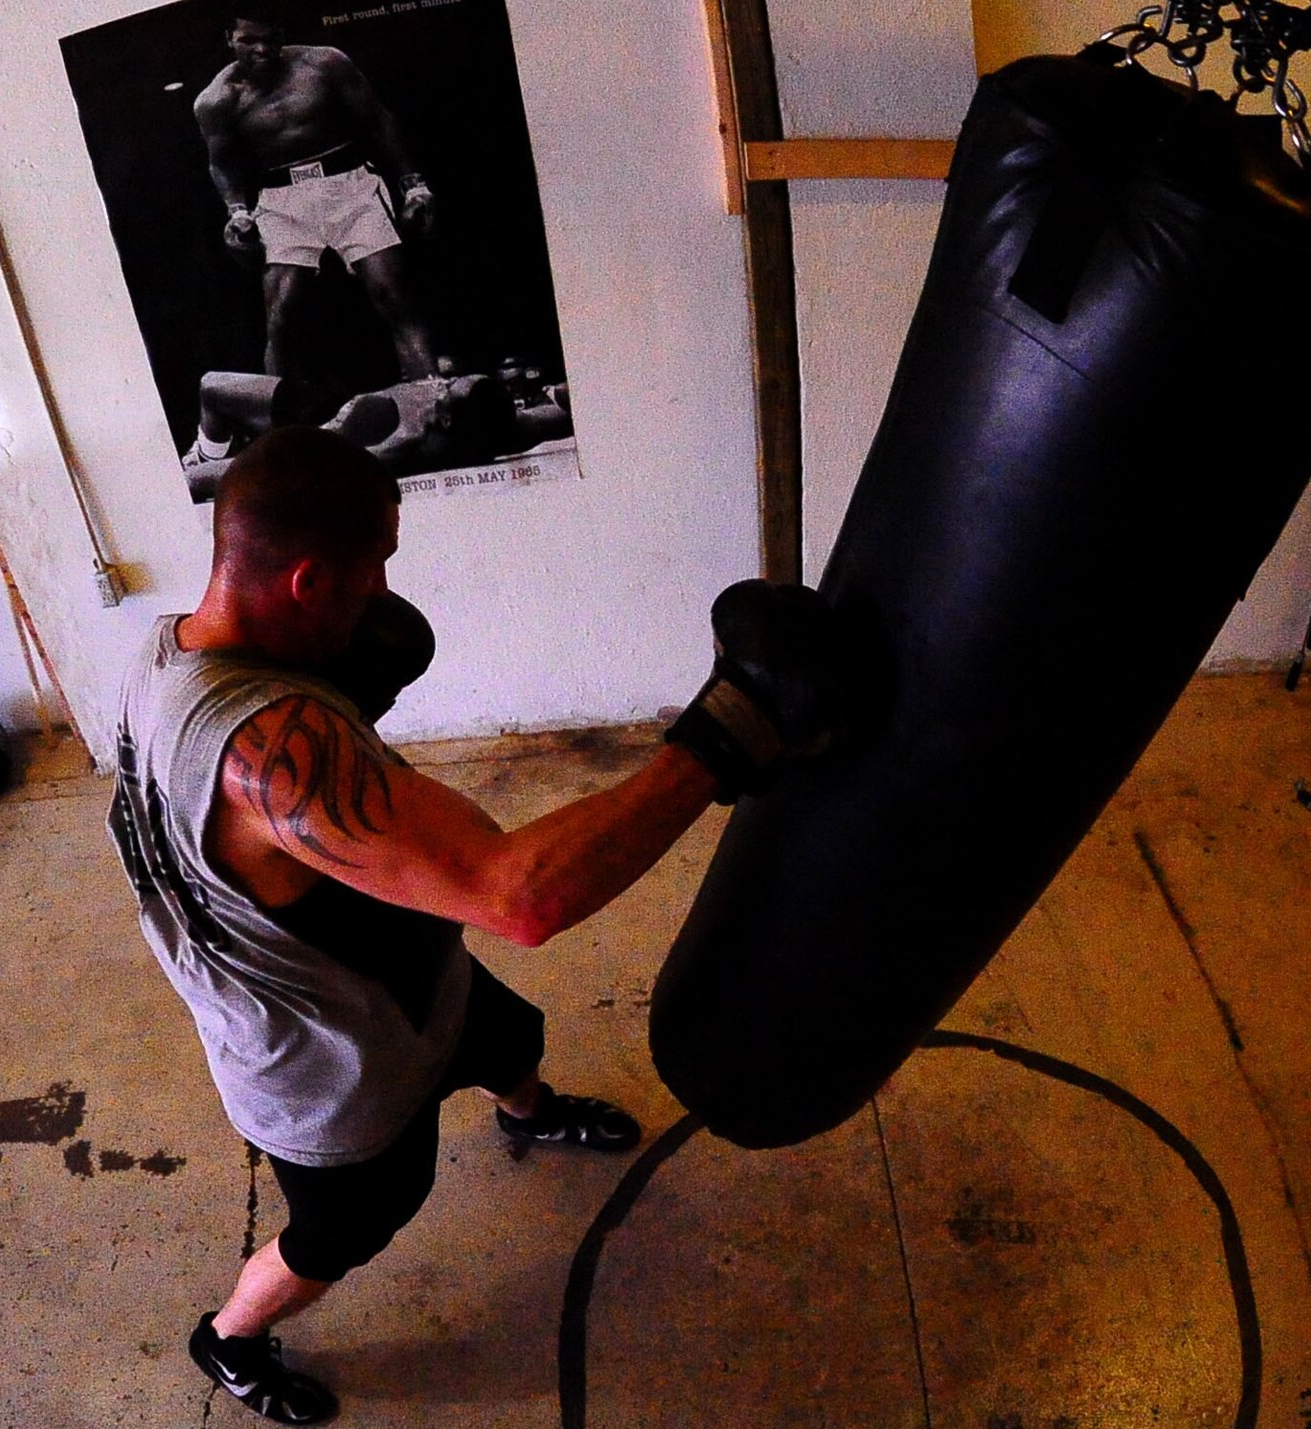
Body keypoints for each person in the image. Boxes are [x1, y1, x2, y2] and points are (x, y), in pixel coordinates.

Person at [108, 426, 844, 1423]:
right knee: (344, 1229)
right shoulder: (268, 753)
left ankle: (528, 1111)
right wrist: (730, 728)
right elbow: (521, 896)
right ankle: (229, 1337)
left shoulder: (168, 644)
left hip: (403, 976)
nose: (382, 593)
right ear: (307, 580)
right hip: (329, 1068)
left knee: (504, 1037)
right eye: (373, 569)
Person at [195, 4, 438, 382]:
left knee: (393, 295)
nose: (261, 49)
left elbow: (378, 120)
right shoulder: (216, 100)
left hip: (350, 186)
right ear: (229, 39)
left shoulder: (324, 64)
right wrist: (237, 210)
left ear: (282, 33)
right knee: (281, 316)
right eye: (248, 40)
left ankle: (434, 397)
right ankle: (283, 428)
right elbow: (221, 162)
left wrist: (414, 185)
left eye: (270, 38)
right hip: (282, 200)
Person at [179, 368, 573, 499]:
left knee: (212, 386)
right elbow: (558, 413)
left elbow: (295, 462)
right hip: (333, 414)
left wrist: (200, 478)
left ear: (448, 421)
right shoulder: (507, 430)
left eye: (445, 390)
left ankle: (206, 453)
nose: (438, 385)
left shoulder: (396, 444)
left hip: (314, 431)